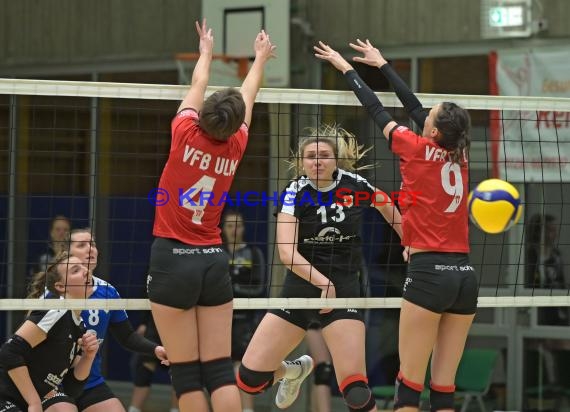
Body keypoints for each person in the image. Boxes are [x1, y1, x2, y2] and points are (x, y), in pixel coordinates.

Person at [314, 39, 475, 412]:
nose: (422, 115)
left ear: (432, 132)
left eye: (429, 117)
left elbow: (374, 106)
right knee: (445, 388)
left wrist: (347, 69)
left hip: (429, 274)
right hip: (465, 275)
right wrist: (383, 64)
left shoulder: (413, 147)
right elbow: (415, 107)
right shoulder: (460, 153)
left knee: (408, 388)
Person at [146, 19, 275, 412]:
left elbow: (198, 83)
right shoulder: (237, 144)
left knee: (185, 374)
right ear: (235, 124)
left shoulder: (184, 129)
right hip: (213, 258)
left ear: (205, 113)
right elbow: (249, 93)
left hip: (172, 258)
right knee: (219, 370)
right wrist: (260, 58)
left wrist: (205, 50)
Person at [237, 124, 403, 412]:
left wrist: (408, 240)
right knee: (250, 379)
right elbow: (287, 253)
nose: (317, 161)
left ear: (335, 160)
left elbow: (386, 203)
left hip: (344, 291)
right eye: (311, 156)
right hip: (302, 287)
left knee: (356, 392)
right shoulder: (294, 192)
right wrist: (323, 284)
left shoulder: (354, 184)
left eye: (324, 155)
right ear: (301, 162)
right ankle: (293, 371)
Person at [46, 228, 168, 412]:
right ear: (67, 254)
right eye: (81, 245)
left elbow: (126, 336)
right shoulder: (52, 296)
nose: (90, 249)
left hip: (90, 383)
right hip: (54, 384)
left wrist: (156, 349)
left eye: (93, 244)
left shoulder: (107, 292)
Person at [0, 252, 100, 412]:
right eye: (75, 270)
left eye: (84, 267)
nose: (86, 270)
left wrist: (88, 357)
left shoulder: (80, 326)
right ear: (60, 286)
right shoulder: (57, 309)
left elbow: (72, 388)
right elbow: (8, 352)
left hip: (20, 401)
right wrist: (34, 403)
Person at [221, 210, 267, 412]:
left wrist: (230, 289)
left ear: (244, 228)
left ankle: (247, 409)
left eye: (237, 225)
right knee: (219, 368)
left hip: (245, 319)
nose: (234, 229)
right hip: (218, 320)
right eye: (230, 225)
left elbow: (259, 288)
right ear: (223, 228)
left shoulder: (254, 253)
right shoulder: (216, 253)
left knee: (242, 367)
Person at [127, 314, 178, 412]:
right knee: (144, 368)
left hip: (180, 325)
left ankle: (176, 410)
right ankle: (134, 409)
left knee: (179, 371)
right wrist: (144, 323)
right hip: (155, 323)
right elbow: (149, 299)